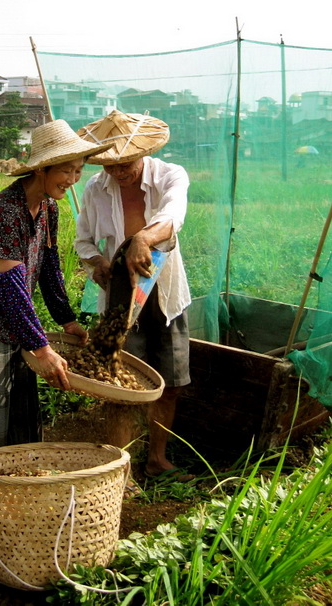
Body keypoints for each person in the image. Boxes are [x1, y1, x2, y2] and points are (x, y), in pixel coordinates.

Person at [0, 119, 113, 558]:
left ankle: (10, 507)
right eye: (67, 170)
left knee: (24, 418)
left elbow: (47, 269)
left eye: (79, 170)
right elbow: (8, 286)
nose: (73, 179)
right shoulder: (6, 211)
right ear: (41, 168)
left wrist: (65, 321)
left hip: (18, 323)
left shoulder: (48, 209)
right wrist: (38, 346)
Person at [75, 110, 193, 481]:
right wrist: (96, 262)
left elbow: (173, 215)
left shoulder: (169, 176)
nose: (118, 171)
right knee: (118, 386)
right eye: (110, 164)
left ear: (141, 152)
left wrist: (142, 238)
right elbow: (84, 240)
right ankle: (119, 471)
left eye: (125, 162)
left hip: (165, 295)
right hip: (120, 300)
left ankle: (156, 459)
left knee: (170, 384)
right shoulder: (95, 189)